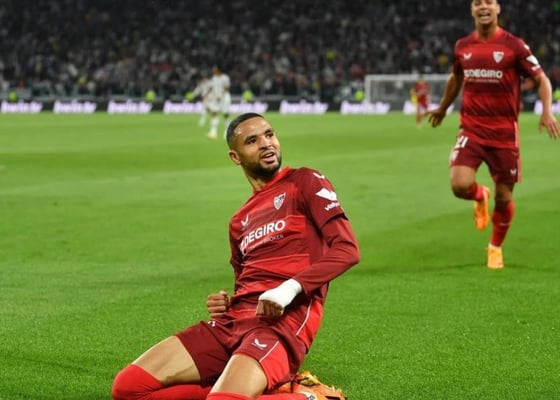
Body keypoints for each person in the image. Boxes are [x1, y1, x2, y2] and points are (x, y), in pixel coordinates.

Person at [111, 112, 360, 400]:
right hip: (231, 323)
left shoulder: (305, 181)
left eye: (269, 134)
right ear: (235, 156)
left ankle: (311, 397)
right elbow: (246, 283)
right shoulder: (240, 220)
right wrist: (225, 302)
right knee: (128, 388)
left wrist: (287, 290)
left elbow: (347, 250)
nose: (266, 144)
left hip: (280, 326)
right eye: (252, 141)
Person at [425, 0, 560, 269]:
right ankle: (479, 195)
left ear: (498, 8)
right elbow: (456, 78)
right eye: (478, 3)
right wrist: (443, 107)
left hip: (504, 134)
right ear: (472, 10)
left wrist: (547, 112)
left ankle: (495, 246)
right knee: (459, 185)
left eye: (489, 2)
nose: (483, 7)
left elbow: (542, 79)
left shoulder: (514, 46)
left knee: (504, 197)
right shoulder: (463, 46)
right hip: (471, 129)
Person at [207, 65, 232, 139]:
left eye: (214, 69)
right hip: (216, 98)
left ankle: (226, 132)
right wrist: (208, 96)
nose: (213, 70)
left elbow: (227, 88)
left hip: (225, 98)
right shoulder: (213, 78)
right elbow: (211, 88)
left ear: (218, 70)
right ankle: (213, 132)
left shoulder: (225, 77)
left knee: (225, 114)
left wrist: (221, 95)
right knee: (214, 113)